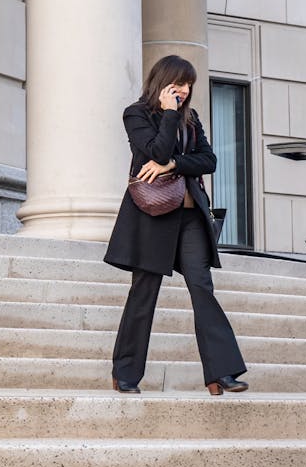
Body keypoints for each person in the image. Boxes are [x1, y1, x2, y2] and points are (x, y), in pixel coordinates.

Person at [104, 54, 248, 396]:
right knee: (144, 293)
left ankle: (222, 371)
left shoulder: (192, 119)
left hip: (189, 217)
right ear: (164, 83)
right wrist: (169, 115)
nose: (185, 91)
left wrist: (172, 165)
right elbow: (155, 148)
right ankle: (125, 373)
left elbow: (208, 161)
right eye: (179, 84)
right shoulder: (136, 114)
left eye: (188, 86)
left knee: (202, 288)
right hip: (152, 216)